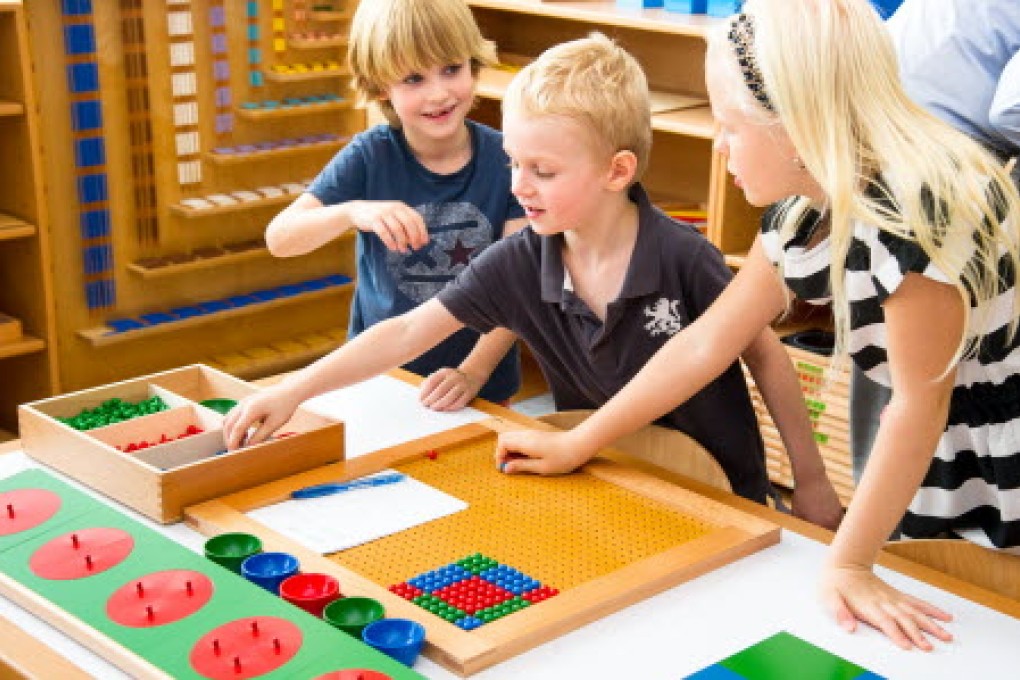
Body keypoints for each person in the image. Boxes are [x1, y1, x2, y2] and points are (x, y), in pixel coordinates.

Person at [491, 0, 1020, 652]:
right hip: (934, 446)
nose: (718, 144)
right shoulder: (807, 212)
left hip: (989, 455)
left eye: (730, 126)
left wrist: (851, 561)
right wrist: (583, 441)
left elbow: (919, 404)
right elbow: (709, 339)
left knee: (982, 625)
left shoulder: (914, 222)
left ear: (798, 126)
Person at [225, 34, 843, 527]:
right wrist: (295, 390)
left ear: (615, 170)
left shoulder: (685, 257)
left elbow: (768, 357)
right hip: (603, 480)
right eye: (514, 163)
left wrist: (811, 483)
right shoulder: (519, 259)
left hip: (722, 496)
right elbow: (408, 330)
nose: (519, 185)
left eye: (542, 170)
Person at [263, 0, 526, 410]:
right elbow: (280, 239)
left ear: (473, 63)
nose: (438, 94)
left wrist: (474, 370)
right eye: (413, 78)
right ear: (381, 85)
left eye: (451, 69)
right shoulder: (371, 154)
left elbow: (517, 286)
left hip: (480, 384)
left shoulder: (508, 158)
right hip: (376, 379)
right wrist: (353, 211)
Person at [849, 0, 1020, 483]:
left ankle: (876, 498)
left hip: (872, 119)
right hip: (930, 151)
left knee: (891, 339)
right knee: (933, 367)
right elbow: (1012, 110)